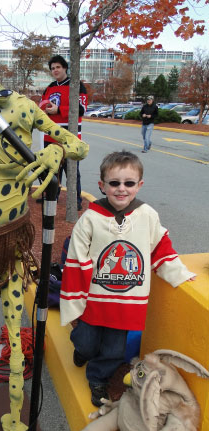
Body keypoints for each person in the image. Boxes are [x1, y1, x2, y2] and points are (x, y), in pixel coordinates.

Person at [60, 150, 195, 407]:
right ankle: (82, 351)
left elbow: (160, 247)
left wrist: (179, 273)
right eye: (114, 183)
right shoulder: (90, 219)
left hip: (127, 300)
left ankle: (98, 378)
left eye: (129, 183)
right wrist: (77, 299)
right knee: (87, 343)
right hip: (95, 298)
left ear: (139, 185)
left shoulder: (147, 215)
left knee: (114, 350)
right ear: (102, 185)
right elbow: (77, 259)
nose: (121, 189)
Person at [40, 55, 87, 210]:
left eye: (58, 67)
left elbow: (82, 109)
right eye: (52, 68)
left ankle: (75, 200)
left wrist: (59, 109)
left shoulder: (76, 85)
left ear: (65, 67)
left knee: (72, 171)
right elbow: (42, 106)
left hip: (69, 136)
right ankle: (52, 196)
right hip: (50, 136)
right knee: (51, 170)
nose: (55, 70)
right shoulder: (50, 87)